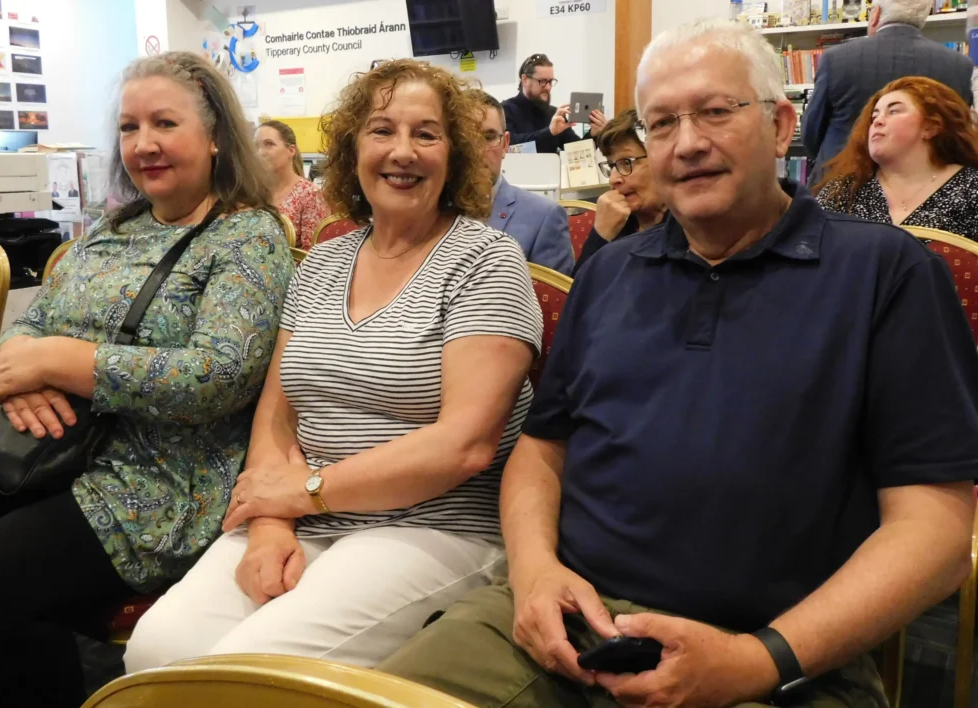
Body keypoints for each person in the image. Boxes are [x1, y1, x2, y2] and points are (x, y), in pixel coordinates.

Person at [378, 18, 978, 708]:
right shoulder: (608, 276)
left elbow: (934, 531)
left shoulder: (885, 274)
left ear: (782, 127)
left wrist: (760, 658)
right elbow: (541, 453)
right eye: (661, 125)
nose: (688, 143)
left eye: (717, 112)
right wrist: (536, 573)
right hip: (568, 625)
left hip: (779, 655)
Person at [124, 59, 543, 671]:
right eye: (381, 131)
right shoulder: (322, 262)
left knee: (248, 669)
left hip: (434, 528)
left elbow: (465, 445)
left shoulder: (486, 261)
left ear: (453, 154)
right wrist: (272, 521)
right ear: (350, 149)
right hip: (303, 513)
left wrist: (308, 491)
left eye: (426, 134)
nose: (403, 151)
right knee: (156, 652)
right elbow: (276, 416)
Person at [0, 51, 294, 708]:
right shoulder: (113, 230)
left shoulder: (248, 236)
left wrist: (59, 365)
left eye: (164, 123)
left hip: (156, 489)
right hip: (45, 460)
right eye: (129, 127)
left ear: (217, 135)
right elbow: (22, 335)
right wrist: (26, 375)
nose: (144, 145)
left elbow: (217, 376)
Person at [801, 0, 974, 184]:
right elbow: (959, 136)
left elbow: (811, 134)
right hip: (924, 189)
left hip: (840, 183)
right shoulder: (958, 66)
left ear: (875, 15)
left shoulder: (835, 59)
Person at [815, 76, 978, 241]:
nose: (878, 121)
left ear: (931, 126)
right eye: (874, 117)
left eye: (894, 111)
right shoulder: (843, 190)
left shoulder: (971, 188)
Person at [471, 90, 573, 274]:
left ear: (505, 144)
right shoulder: (428, 213)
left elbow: (553, 302)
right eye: (466, 138)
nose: (477, 151)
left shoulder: (543, 218)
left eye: (488, 137)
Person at [575, 109, 667, 272]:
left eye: (626, 162)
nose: (613, 179)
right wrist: (600, 236)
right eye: (611, 165)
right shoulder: (618, 222)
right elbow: (578, 293)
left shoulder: (691, 232)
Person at [502, 53, 606, 153]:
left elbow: (574, 151)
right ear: (525, 80)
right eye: (542, 81)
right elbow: (511, 146)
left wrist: (594, 134)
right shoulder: (505, 110)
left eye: (550, 81)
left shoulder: (553, 114)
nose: (548, 87)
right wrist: (550, 132)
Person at [255, 119, 331, 249]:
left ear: (291, 150)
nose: (260, 152)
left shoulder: (309, 195)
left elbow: (314, 255)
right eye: (256, 146)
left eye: (269, 144)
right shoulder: (251, 193)